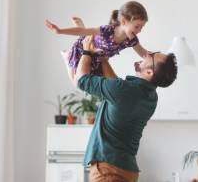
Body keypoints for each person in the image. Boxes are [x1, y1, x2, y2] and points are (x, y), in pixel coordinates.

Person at [69, 35, 178, 182]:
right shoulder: (151, 97)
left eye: (151, 56)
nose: (146, 53)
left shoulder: (124, 91)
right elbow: (117, 87)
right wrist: (103, 61)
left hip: (108, 170)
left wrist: (87, 52)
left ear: (149, 72)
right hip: (126, 170)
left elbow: (81, 80)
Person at [45, 1, 150, 79]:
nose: (139, 30)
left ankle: (84, 32)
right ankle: (67, 55)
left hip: (98, 60)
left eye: (142, 27)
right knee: (77, 81)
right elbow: (83, 31)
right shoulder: (107, 30)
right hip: (84, 50)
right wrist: (59, 31)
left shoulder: (131, 40)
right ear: (123, 22)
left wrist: (164, 59)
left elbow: (144, 53)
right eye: (137, 26)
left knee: (94, 83)